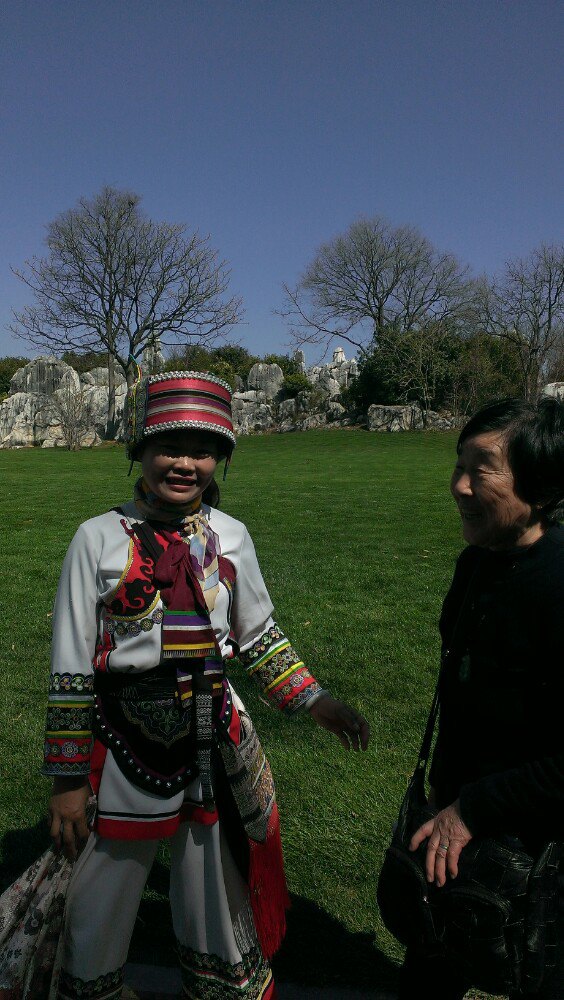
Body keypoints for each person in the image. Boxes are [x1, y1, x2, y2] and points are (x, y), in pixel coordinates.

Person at [44, 370, 370, 1000]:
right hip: (123, 739)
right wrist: (65, 781)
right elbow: (69, 663)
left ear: (221, 459)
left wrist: (316, 702)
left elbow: (257, 637)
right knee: (99, 894)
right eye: (168, 446)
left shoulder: (233, 538)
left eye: (202, 450)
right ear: (138, 449)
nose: (184, 463)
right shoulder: (98, 538)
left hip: (214, 738)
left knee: (217, 889)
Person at [397, 397, 564, 1000]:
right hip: (455, 826)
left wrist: (475, 808)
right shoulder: (477, 564)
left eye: (483, 468)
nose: (459, 486)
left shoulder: (559, 584)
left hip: (539, 844)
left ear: (541, 484)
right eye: (457, 464)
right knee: (431, 966)